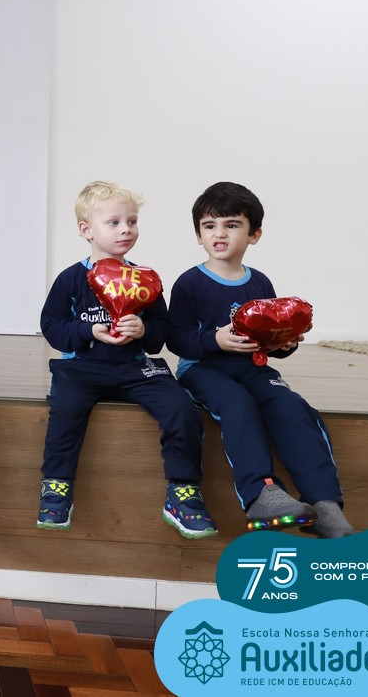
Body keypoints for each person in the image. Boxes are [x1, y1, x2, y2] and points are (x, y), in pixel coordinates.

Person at [167, 181, 354, 538]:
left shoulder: (261, 283)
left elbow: (269, 339)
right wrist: (214, 340)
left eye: (232, 225)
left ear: (254, 234)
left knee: (291, 406)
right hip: (202, 369)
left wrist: (285, 342)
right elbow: (175, 338)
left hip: (253, 368)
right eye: (209, 226)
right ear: (198, 235)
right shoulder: (190, 283)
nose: (220, 234)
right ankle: (261, 495)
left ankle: (324, 503)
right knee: (238, 404)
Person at [37, 180, 217, 539]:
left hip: (135, 368)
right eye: (114, 222)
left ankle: (183, 492)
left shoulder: (144, 279)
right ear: (86, 230)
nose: (126, 230)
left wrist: (144, 330)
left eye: (132, 222)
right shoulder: (72, 279)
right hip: (82, 367)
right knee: (66, 409)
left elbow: (161, 332)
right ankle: (56, 486)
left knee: (181, 407)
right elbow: (52, 326)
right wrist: (88, 331)